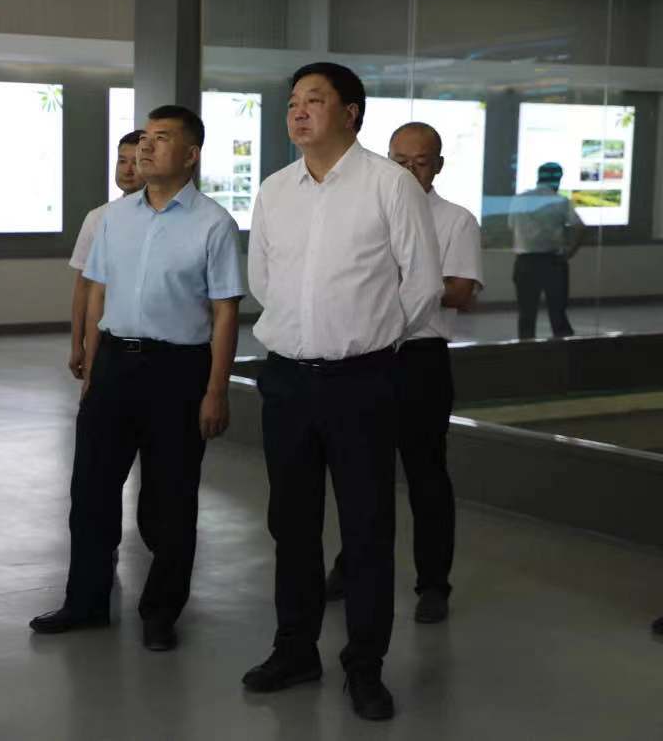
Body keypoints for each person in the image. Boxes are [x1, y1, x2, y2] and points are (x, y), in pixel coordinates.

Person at [241, 63, 442, 721]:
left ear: (351, 112)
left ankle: (365, 666)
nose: (298, 112)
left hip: (363, 380)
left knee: (367, 527)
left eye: (315, 100)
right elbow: (264, 279)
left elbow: (422, 283)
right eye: (292, 102)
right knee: (291, 524)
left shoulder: (389, 184)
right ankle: (295, 649)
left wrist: (369, 337)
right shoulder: (275, 189)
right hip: (287, 381)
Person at [30, 105, 245, 653]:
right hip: (114, 365)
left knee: (171, 497)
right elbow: (98, 291)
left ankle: (160, 612)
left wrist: (216, 389)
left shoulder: (214, 223)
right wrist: (90, 361)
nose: (146, 147)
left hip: (179, 370)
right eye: (145, 137)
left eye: (162, 138)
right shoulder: (114, 218)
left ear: (191, 155)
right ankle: (85, 602)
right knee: (91, 490)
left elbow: (225, 312)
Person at [322, 122, 482, 625]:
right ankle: (351, 567)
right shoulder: (369, 212)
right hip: (368, 355)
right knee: (362, 474)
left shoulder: (455, 220)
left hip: (420, 358)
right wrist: (411, 279)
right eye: (399, 161)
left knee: (425, 475)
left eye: (421, 162)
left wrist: (399, 280)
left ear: (438, 166)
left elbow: (461, 291)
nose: (409, 171)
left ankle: (433, 584)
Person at [67, 129, 145, 380]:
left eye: (136, 162)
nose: (127, 170)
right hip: (106, 340)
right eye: (122, 161)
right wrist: (77, 344)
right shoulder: (98, 217)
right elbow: (83, 287)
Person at [508, 161, 585, 339]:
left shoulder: (519, 199)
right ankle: (564, 351)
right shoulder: (560, 201)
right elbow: (580, 227)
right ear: (558, 179)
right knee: (558, 313)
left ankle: (526, 350)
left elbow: (511, 226)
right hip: (553, 262)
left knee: (526, 314)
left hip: (525, 263)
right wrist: (570, 252)